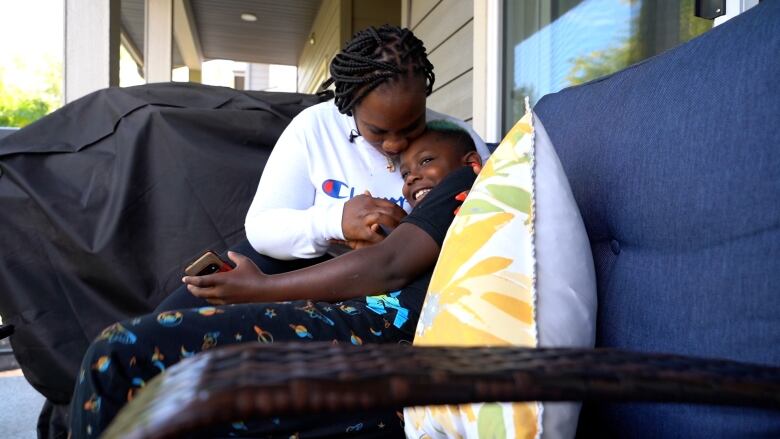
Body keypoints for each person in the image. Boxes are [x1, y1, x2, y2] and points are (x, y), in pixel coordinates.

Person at [69, 121, 483, 438]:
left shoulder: (467, 186)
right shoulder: (443, 220)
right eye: (407, 172)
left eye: (426, 161)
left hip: (375, 333)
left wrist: (259, 291)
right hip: (374, 353)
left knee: (121, 356)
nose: (411, 177)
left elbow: (390, 266)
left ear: (471, 163)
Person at [154, 24, 489, 312]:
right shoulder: (314, 128)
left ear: (425, 99)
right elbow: (262, 228)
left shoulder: (454, 140)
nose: (394, 145)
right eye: (378, 131)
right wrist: (334, 222)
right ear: (348, 105)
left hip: (405, 281)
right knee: (176, 315)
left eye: (411, 125)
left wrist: (402, 238)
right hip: (310, 266)